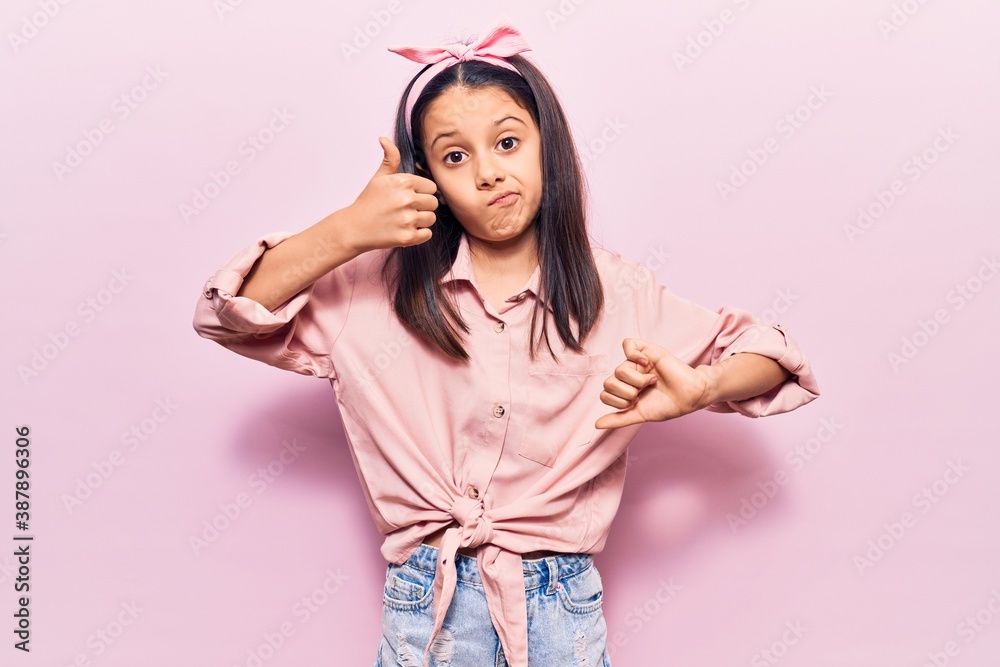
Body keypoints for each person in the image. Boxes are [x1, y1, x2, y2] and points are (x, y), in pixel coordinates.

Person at [192, 16, 819, 667]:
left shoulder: (619, 292)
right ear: (426, 178)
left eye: (509, 142)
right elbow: (226, 314)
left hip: (561, 607)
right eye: (455, 157)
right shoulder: (369, 290)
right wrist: (345, 231)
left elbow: (772, 357)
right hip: (425, 605)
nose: (489, 172)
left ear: (547, 145)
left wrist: (705, 386)